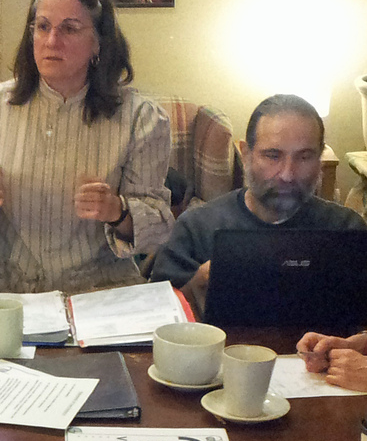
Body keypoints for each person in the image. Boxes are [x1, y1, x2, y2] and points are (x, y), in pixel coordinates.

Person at [0, 0, 173, 295]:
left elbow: (160, 226)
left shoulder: (141, 118)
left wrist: (117, 211)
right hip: (3, 289)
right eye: (43, 26)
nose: (51, 41)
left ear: (98, 43)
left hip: (98, 292)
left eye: (70, 29)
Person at [150, 94, 367, 315]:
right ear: (246, 154)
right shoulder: (197, 228)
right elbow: (156, 316)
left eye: (304, 157)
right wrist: (198, 283)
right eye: (273, 156)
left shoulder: (347, 230)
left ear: (320, 158)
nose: (287, 174)